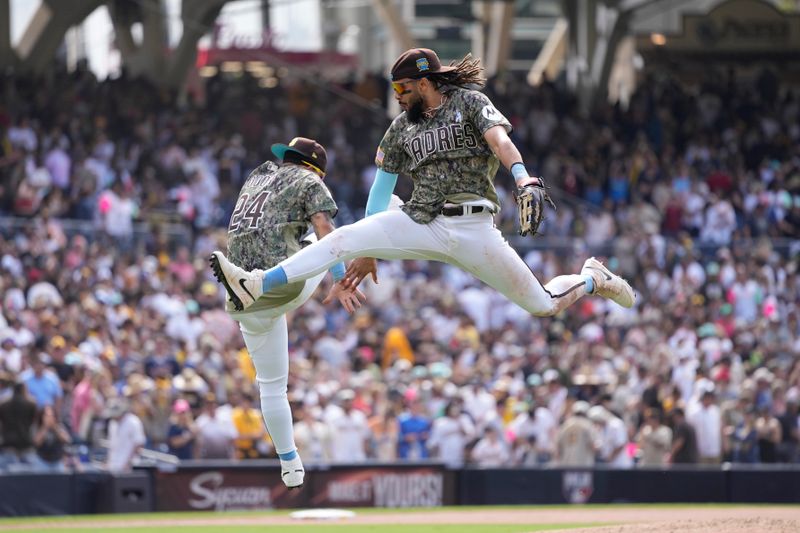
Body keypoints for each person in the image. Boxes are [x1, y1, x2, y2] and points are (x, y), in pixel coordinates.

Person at [210, 48, 634, 344]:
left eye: (403, 89)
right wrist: (370, 246)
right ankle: (258, 283)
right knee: (344, 237)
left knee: (542, 305)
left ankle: (593, 277)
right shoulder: (401, 127)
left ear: (425, 82)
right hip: (421, 220)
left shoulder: (469, 102)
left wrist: (522, 177)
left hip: (473, 228)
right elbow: (380, 194)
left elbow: (500, 142)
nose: (397, 97)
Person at [209, 137, 372, 488]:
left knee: (270, 386)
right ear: (317, 170)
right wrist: (341, 278)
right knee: (323, 241)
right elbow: (327, 231)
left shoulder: (258, 176)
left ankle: (289, 461)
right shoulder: (310, 180)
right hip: (284, 284)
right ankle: (259, 281)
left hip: (240, 303)